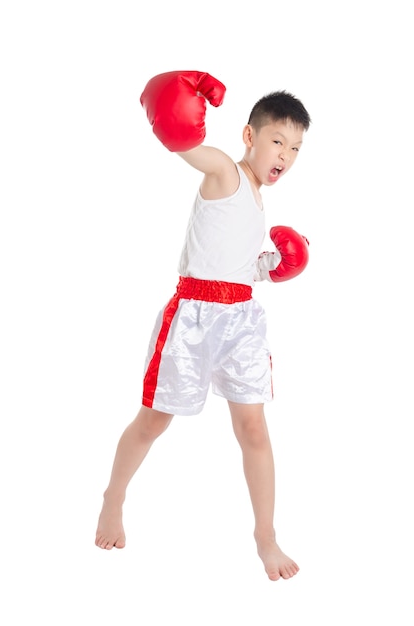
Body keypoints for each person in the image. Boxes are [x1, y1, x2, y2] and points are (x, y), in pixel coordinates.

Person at [95, 71, 311, 582]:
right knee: (154, 420)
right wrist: (181, 99)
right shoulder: (224, 174)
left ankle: (265, 534)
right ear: (249, 136)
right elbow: (189, 148)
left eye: (296, 148)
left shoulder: (259, 198)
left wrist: (267, 266)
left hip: (241, 320)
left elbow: (234, 261)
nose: (285, 155)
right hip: (192, 317)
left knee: (254, 428)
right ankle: (113, 496)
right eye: (277, 140)